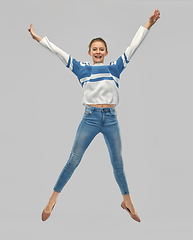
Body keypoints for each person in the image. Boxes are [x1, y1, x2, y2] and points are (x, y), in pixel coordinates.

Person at [28, 9, 160, 222]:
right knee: (73, 160)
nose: (98, 52)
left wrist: (149, 23)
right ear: (89, 52)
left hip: (111, 120)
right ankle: (52, 199)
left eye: (101, 49)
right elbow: (59, 52)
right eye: (94, 49)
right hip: (89, 118)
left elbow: (133, 47)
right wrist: (39, 39)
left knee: (118, 162)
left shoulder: (115, 68)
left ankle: (127, 201)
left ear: (106, 52)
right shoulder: (83, 69)